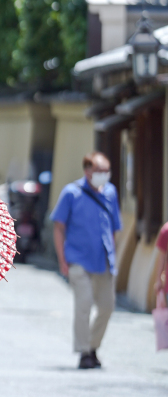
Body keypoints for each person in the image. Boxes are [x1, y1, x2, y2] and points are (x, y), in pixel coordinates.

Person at [51, 152, 121, 369]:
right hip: (78, 260)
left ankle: (92, 346)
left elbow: (114, 228)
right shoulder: (71, 193)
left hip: (104, 260)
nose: (103, 175)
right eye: (99, 171)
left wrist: (113, 253)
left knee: (107, 307)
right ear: (87, 171)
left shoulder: (110, 192)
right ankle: (83, 352)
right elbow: (59, 227)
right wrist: (62, 259)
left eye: (106, 171)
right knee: (84, 304)